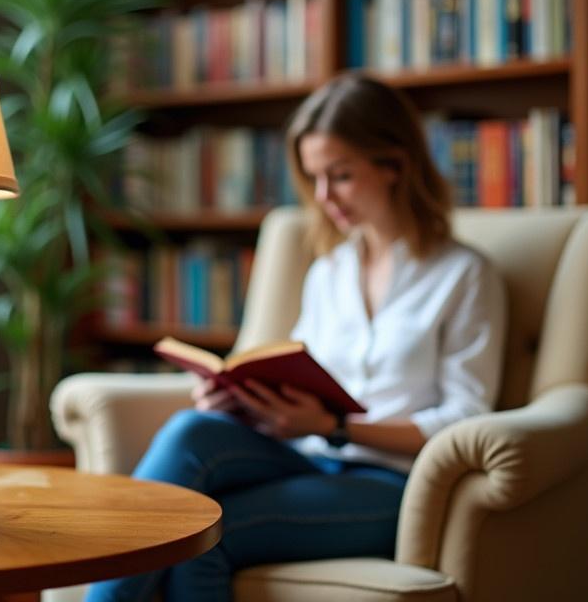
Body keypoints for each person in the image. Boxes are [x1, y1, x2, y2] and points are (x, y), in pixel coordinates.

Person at [85, 73, 507, 602]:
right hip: (304, 453)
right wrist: (238, 399)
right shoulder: (329, 271)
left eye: (343, 176)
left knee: (203, 536)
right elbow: (301, 369)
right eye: (315, 178)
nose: (325, 196)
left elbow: (465, 421)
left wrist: (337, 427)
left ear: (394, 165)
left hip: (391, 482)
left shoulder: (464, 275)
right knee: (193, 429)